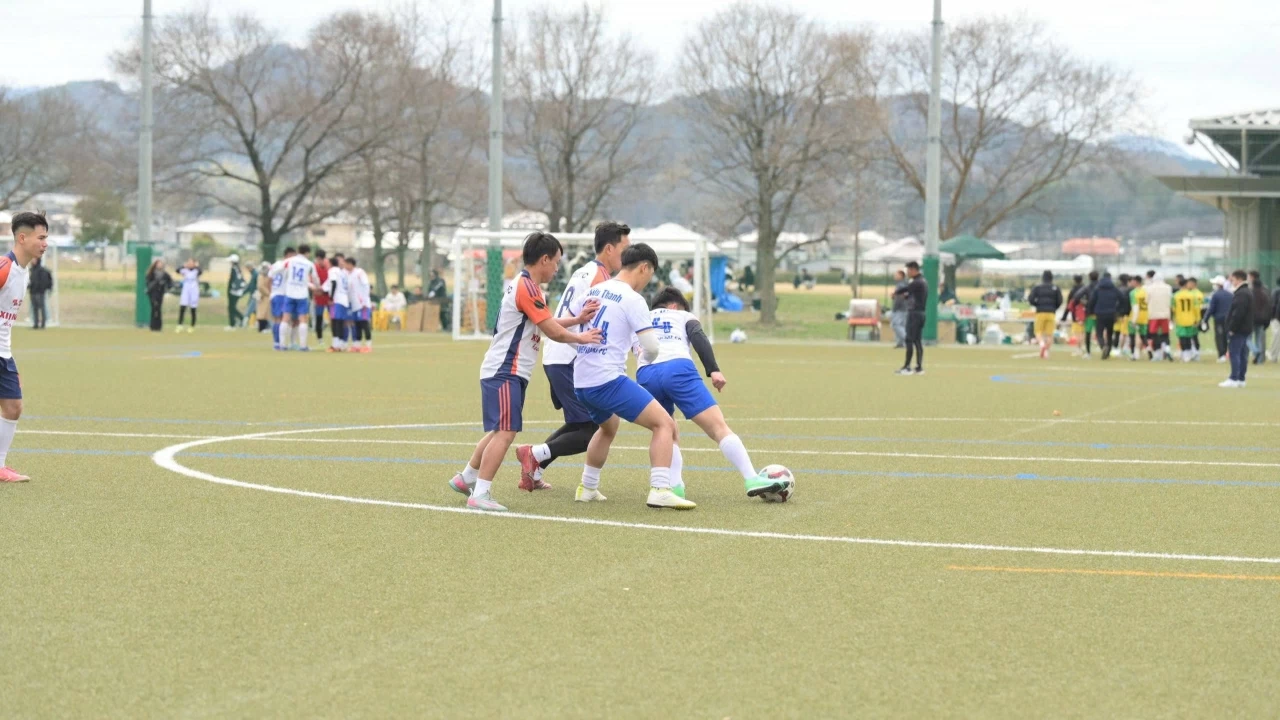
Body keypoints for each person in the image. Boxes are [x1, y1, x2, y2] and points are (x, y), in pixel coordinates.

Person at [447, 232, 603, 512]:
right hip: (505, 369)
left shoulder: (528, 287)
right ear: (544, 260)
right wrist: (582, 337)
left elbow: (547, 321)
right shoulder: (527, 288)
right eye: (556, 262)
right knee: (506, 432)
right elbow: (552, 331)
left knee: (499, 430)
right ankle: (480, 493)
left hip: (509, 370)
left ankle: (467, 477)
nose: (557, 269)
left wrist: (577, 319)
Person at [569, 242, 694, 510]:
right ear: (644, 268)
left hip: (581, 380)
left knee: (608, 427)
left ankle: (587, 487)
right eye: (650, 274)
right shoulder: (633, 299)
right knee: (665, 424)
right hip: (607, 380)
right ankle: (660, 489)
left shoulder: (594, 290)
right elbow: (651, 347)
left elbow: (566, 329)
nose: (648, 281)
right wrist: (645, 361)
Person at [634, 287, 780, 499]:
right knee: (718, 427)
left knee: (665, 430)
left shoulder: (641, 319)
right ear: (674, 306)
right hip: (677, 368)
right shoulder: (683, 315)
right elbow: (698, 336)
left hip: (646, 374)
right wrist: (713, 370)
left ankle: (675, 487)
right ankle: (751, 478)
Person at [516, 222, 630, 492]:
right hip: (568, 356)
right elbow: (600, 323)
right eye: (625, 248)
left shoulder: (586, 270)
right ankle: (534, 453)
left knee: (581, 423)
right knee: (594, 429)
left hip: (559, 355)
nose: (628, 254)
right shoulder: (600, 279)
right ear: (610, 249)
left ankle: (534, 469)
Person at [0, 212, 49, 482]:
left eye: (46, 238)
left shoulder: (24, 272)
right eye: (40, 237)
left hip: (4, 352)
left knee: (13, 407)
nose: (45, 243)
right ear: (22, 237)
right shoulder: (4, 267)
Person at [280, 244, 319, 351]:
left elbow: (282, 270)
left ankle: (282, 345)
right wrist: (317, 286)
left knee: (285, 318)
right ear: (307, 253)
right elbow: (315, 278)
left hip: (289, 292)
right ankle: (303, 346)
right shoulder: (309, 263)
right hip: (302, 294)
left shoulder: (290, 260)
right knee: (302, 319)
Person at [1222, 269, 1254, 388]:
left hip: (1239, 329)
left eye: (1233, 280)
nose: (1232, 282)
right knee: (1242, 354)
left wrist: (1232, 328)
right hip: (1245, 328)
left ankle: (1234, 378)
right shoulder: (1246, 292)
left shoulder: (1242, 293)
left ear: (1239, 279)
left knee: (1235, 353)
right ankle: (1241, 378)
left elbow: (1238, 313)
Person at [894, 261, 927, 375]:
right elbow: (911, 294)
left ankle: (907, 367)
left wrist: (896, 293)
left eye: (908, 270)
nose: (907, 273)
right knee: (917, 340)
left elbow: (906, 289)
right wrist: (906, 296)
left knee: (909, 339)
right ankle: (919, 367)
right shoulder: (923, 281)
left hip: (914, 314)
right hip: (921, 313)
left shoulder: (917, 281)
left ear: (913, 270)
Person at [1028, 270, 1063, 360]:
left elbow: (1031, 299)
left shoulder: (1037, 287)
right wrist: (1054, 307)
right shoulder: (1056, 288)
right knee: (1049, 334)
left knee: (1038, 332)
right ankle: (1046, 352)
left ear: (1042, 277)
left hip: (1040, 312)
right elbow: (1060, 301)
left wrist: (1037, 305)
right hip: (1051, 313)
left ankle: (1042, 344)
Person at [1086, 273, 1122, 360]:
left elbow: (1092, 301)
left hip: (1100, 313)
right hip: (1111, 313)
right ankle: (1108, 352)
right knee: (1109, 333)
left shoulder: (1098, 288)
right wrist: (1118, 310)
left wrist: (1090, 311)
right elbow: (1122, 299)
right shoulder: (1114, 288)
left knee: (1099, 333)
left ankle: (1103, 346)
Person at [344, 256, 373, 353]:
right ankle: (357, 345)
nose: (345, 266)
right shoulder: (348, 275)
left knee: (364, 323)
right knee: (356, 325)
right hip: (354, 304)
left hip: (362, 304)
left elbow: (366, 286)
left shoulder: (360, 272)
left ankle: (368, 345)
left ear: (350, 264)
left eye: (346, 264)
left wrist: (364, 301)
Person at [1172, 277, 1204, 362]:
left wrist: (1173, 318)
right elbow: (1196, 308)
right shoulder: (1192, 295)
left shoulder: (1176, 295)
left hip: (1180, 319)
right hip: (1191, 319)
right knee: (1191, 337)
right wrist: (1198, 318)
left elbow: (1173, 308)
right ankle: (1191, 353)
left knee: (1182, 337)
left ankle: (1185, 354)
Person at [268, 248, 294, 349]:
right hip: (282, 294)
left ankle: (276, 342)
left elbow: (269, 279)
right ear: (288, 255)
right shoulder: (287, 265)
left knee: (276, 319)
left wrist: (271, 292)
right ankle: (279, 342)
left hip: (274, 294)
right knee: (283, 319)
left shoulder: (275, 265)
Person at [324, 255, 350, 352]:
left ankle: (336, 345)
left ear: (330, 263)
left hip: (337, 299)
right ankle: (341, 344)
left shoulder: (332, 270)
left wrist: (331, 298)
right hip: (344, 299)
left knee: (335, 322)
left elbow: (333, 283)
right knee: (340, 322)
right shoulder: (341, 272)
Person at [1145, 270, 1172, 362]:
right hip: (1165, 314)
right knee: (1165, 334)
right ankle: (1167, 348)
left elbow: (1146, 300)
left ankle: (1157, 352)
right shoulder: (1168, 287)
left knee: (1154, 334)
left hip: (1153, 315)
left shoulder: (1149, 288)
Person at [1207, 276, 1232, 362]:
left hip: (1219, 319)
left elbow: (1211, 309)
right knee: (1227, 337)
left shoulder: (1216, 295)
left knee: (1219, 337)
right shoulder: (1230, 294)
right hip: (1229, 319)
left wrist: (1205, 319)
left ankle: (1222, 355)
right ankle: (1228, 353)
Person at [1248, 271, 1270, 364]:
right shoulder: (1265, 293)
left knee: (1247, 338)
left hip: (1251, 319)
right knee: (1259, 339)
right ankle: (1260, 360)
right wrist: (1267, 321)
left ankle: (1255, 351)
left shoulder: (1250, 293)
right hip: (1262, 320)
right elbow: (1268, 307)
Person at [145, 259, 172, 332]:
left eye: (161, 264)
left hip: (160, 293)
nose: (160, 265)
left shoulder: (164, 274)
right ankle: (153, 326)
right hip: (153, 293)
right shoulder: (151, 273)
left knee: (158, 309)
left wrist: (166, 287)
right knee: (154, 308)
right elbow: (147, 282)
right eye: (158, 264)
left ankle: (158, 326)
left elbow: (170, 282)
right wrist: (154, 283)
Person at [1128, 275, 1149, 361]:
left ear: (1136, 282)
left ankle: (1133, 354)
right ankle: (1150, 352)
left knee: (1132, 336)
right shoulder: (1146, 291)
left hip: (1135, 316)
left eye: (1132, 281)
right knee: (1143, 336)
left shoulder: (1133, 293)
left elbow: (1135, 307)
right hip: (1144, 316)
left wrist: (1134, 320)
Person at [1062, 274, 1085, 352]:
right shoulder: (1086, 289)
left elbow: (1069, 304)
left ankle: (1078, 348)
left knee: (1077, 332)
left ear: (1074, 281)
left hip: (1075, 313)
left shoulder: (1073, 290)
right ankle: (1082, 346)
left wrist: (1064, 316)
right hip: (1085, 313)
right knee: (1082, 331)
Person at [176, 259, 201, 332]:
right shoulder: (185, 270)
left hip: (194, 289)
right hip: (186, 289)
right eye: (189, 262)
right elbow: (177, 270)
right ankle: (180, 325)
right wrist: (183, 266)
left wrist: (196, 266)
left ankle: (192, 326)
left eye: (191, 263)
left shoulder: (196, 270)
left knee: (193, 308)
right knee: (183, 306)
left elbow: (200, 271)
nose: (190, 264)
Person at [28, 258, 52, 330]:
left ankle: (43, 324)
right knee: (34, 308)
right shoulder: (32, 270)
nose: (32, 261)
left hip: (40, 293)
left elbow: (45, 282)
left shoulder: (42, 270)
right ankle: (35, 324)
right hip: (33, 292)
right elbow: (30, 281)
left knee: (42, 308)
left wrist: (42, 289)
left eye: (34, 259)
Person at [312, 250, 330, 342]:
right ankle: (320, 339)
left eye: (320, 259)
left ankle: (337, 338)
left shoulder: (329, 267)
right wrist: (315, 290)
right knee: (318, 317)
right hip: (318, 295)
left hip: (329, 295)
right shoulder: (314, 267)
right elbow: (311, 280)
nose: (318, 261)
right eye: (317, 259)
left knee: (334, 317)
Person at [225, 254, 245, 331]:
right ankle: (241, 318)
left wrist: (229, 290)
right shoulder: (238, 269)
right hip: (238, 292)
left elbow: (232, 281)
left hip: (233, 291)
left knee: (231, 308)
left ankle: (233, 324)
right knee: (232, 307)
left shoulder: (234, 269)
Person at [1113, 274, 1131, 357]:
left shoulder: (1116, 289)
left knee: (1117, 332)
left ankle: (1115, 348)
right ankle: (1124, 348)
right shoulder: (1129, 290)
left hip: (1117, 314)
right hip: (1126, 314)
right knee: (1125, 333)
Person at [889, 270, 908, 349]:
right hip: (905, 308)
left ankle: (907, 340)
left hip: (899, 308)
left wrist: (895, 307)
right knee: (902, 325)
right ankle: (901, 343)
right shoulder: (905, 284)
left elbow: (900, 297)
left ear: (901, 276)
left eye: (896, 275)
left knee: (895, 324)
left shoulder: (901, 285)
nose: (895, 276)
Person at [254, 261, 272, 332]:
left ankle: (265, 327)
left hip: (266, 296)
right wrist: (268, 293)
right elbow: (260, 286)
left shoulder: (267, 276)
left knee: (265, 313)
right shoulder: (261, 276)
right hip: (263, 296)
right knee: (262, 313)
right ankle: (262, 328)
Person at [242, 261, 259, 329]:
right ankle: (256, 323)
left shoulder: (255, 274)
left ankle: (244, 323)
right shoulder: (253, 274)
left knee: (250, 309)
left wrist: (243, 292)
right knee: (255, 310)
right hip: (253, 294)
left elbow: (252, 285)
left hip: (255, 295)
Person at [1270, 276, 1280, 362]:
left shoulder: (1276, 291)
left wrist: (1272, 316)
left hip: (1276, 317)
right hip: (1276, 316)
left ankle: (1273, 355)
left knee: (1276, 336)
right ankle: (1274, 355)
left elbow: (1273, 304)